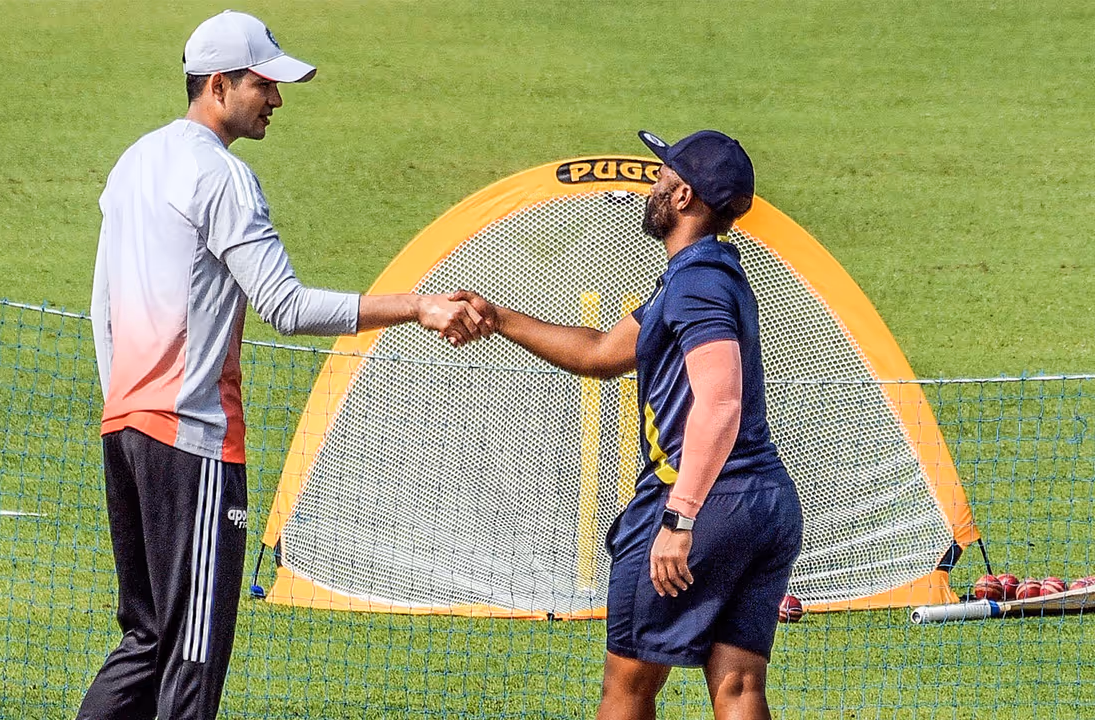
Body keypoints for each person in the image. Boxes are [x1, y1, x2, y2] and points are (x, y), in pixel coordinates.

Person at [78, 11, 491, 720]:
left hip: (125, 431)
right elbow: (286, 306)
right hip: (194, 440)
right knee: (193, 652)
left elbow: (100, 308)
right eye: (263, 85)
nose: (276, 100)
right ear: (217, 86)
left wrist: (125, 403)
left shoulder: (133, 164)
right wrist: (417, 306)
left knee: (146, 639)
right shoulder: (225, 179)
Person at [456, 130, 803, 720]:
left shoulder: (696, 284)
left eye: (663, 173)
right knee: (739, 686)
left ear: (685, 196)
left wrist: (680, 517)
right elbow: (598, 351)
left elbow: (720, 403)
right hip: (764, 501)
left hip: (703, 501)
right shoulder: (705, 274)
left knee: (628, 687)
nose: (654, 182)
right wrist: (500, 319)